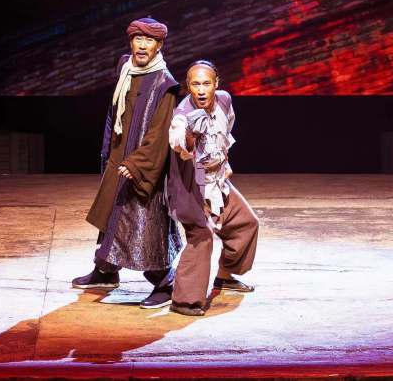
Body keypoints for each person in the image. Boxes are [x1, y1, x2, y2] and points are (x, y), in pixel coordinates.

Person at [71, 17, 182, 309]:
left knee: (143, 224)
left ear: (159, 45)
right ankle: (106, 271)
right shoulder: (126, 67)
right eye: (138, 39)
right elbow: (116, 109)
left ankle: (165, 281)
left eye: (149, 41)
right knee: (112, 216)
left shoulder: (164, 84)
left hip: (142, 166)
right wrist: (111, 153)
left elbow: (160, 135)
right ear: (130, 41)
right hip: (118, 156)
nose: (142, 46)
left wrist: (136, 164)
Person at [166, 60, 259, 316]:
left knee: (245, 223)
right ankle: (184, 301)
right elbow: (179, 145)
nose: (201, 90)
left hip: (217, 181)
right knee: (201, 235)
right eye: (195, 84)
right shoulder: (182, 115)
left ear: (216, 84)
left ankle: (225, 276)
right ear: (188, 87)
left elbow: (225, 131)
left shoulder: (224, 100)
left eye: (206, 83)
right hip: (191, 187)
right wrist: (190, 135)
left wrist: (224, 163)